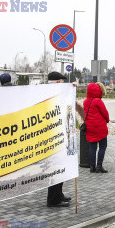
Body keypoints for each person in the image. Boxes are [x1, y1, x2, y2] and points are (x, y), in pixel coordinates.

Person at [46, 71, 72, 207]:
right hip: (52, 139)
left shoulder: (56, 94)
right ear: (57, 82)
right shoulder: (49, 95)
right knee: (55, 169)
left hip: (60, 137)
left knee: (61, 168)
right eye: (62, 82)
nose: (64, 84)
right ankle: (53, 199)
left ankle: (59, 194)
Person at [83, 82, 109, 173]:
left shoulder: (85, 101)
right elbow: (105, 113)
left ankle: (92, 167)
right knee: (102, 146)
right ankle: (99, 166)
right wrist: (107, 120)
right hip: (100, 128)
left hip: (90, 127)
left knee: (92, 147)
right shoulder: (98, 101)